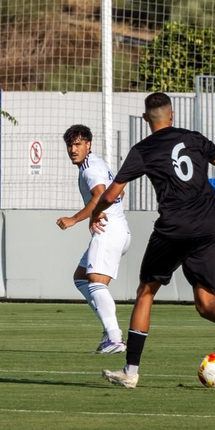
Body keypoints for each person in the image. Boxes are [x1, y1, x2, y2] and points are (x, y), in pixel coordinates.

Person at [87, 92, 215, 389]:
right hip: (209, 227)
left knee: (145, 293)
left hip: (174, 229)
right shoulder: (195, 138)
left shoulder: (143, 149)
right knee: (205, 303)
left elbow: (111, 194)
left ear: (145, 119)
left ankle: (130, 371)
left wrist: (96, 213)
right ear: (172, 114)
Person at [55, 123, 131, 355]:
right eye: (70, 145)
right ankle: (110, 331)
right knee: (81, 278)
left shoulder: (90, 168)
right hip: (117, 228)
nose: (73, 149)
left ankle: (115, 338)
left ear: (88, 144)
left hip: (109, 229)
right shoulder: (97, 163)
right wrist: (95, 213)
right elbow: (120, 191)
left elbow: (99, 195)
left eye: (78, 144)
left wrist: (74, 219)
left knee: (96, 282)